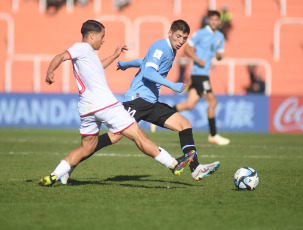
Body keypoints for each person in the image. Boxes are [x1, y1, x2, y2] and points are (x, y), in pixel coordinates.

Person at [59, 19, 221, 185]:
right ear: (170, 33)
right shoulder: (161, 47)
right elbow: (148, 73)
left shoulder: (170, 49)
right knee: (113, 137)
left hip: (150, 102)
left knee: (184, 125)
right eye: (178, 36)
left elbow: (144, 62)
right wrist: (173, 85)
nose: (181, 42)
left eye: (184, 39)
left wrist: (126, 64)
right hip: (137, 101)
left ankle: (195, 169)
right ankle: (69, 167)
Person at [173, 11, 230, 146]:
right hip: (199, 73)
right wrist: (197, 59)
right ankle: (213, 135)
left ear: (220, 22)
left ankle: (162, 114)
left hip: (205, 73)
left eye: (217, 20)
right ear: (208, 20)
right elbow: (186, 50)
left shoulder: (220, 36)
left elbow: (220, 53)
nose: (214, 22)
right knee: (213, 102)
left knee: (189, 105)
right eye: (212, 19)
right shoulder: (200, 33)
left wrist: (220, 56)